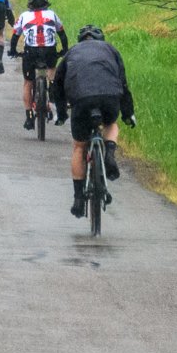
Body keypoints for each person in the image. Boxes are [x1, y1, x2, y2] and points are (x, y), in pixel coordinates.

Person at [53, 24, 137, 217]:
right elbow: (123, 83)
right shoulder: (111, 50)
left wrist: (62, 113)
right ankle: (109, 152)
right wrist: (127, 113)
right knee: (111, 124)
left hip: (81, 100)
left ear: (81, 39)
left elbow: (57, 85)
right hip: (109, 97)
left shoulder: (72, 52)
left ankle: (78, 199)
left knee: (79, 147)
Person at [11, 0, 66, 130]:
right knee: (51, 71)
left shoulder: (24, 16)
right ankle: (52, 88)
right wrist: (64, 49)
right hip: (49, 50)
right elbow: (62, 34)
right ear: (46, 5)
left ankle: (29, 116)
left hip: (31, 51)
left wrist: (13, 51)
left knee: (28, 83)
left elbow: (15, 36)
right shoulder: (52, 14)